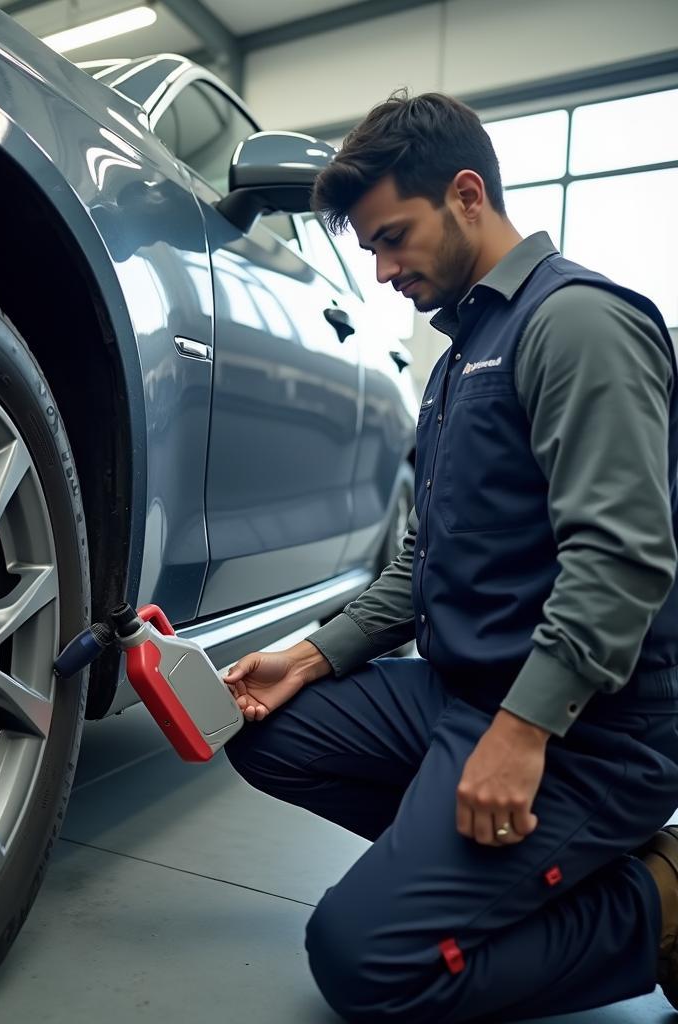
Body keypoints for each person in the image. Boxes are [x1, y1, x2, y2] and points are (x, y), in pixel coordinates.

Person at [223, 90, 678, 1023]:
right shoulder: (464, 352)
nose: (384, 270)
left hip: (590, 728)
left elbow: (623, 559)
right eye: (372, 250)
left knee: (363, 962)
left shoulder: (577, 324)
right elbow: (425, 562)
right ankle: (517, 866)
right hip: (465, 691)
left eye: (394, 237)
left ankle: (662, 902)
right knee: (266, 730)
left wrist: (522, 734)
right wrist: (311, 655)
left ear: (467, 193)